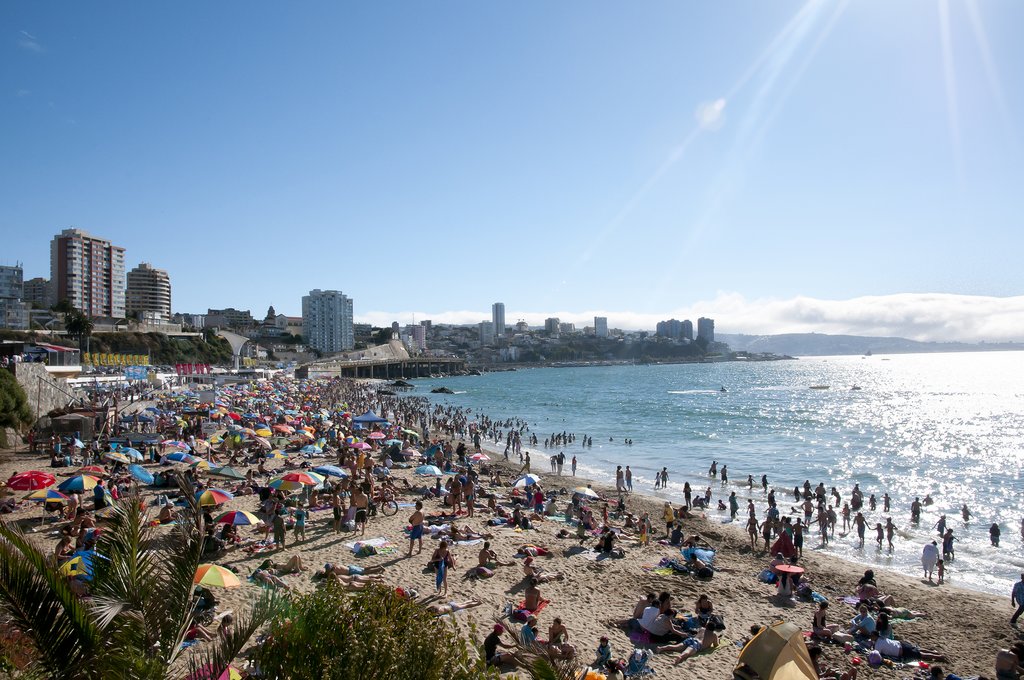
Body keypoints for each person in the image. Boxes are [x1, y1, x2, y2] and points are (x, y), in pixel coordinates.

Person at [870, 631, 946, 662]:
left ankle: (939, 657)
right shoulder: (882, 638)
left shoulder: (878, 645)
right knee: (918, 649)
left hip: (901, 650)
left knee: (920, 655)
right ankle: (934, 652)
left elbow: (876, 654)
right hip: (901, 644)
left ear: (874, 636)